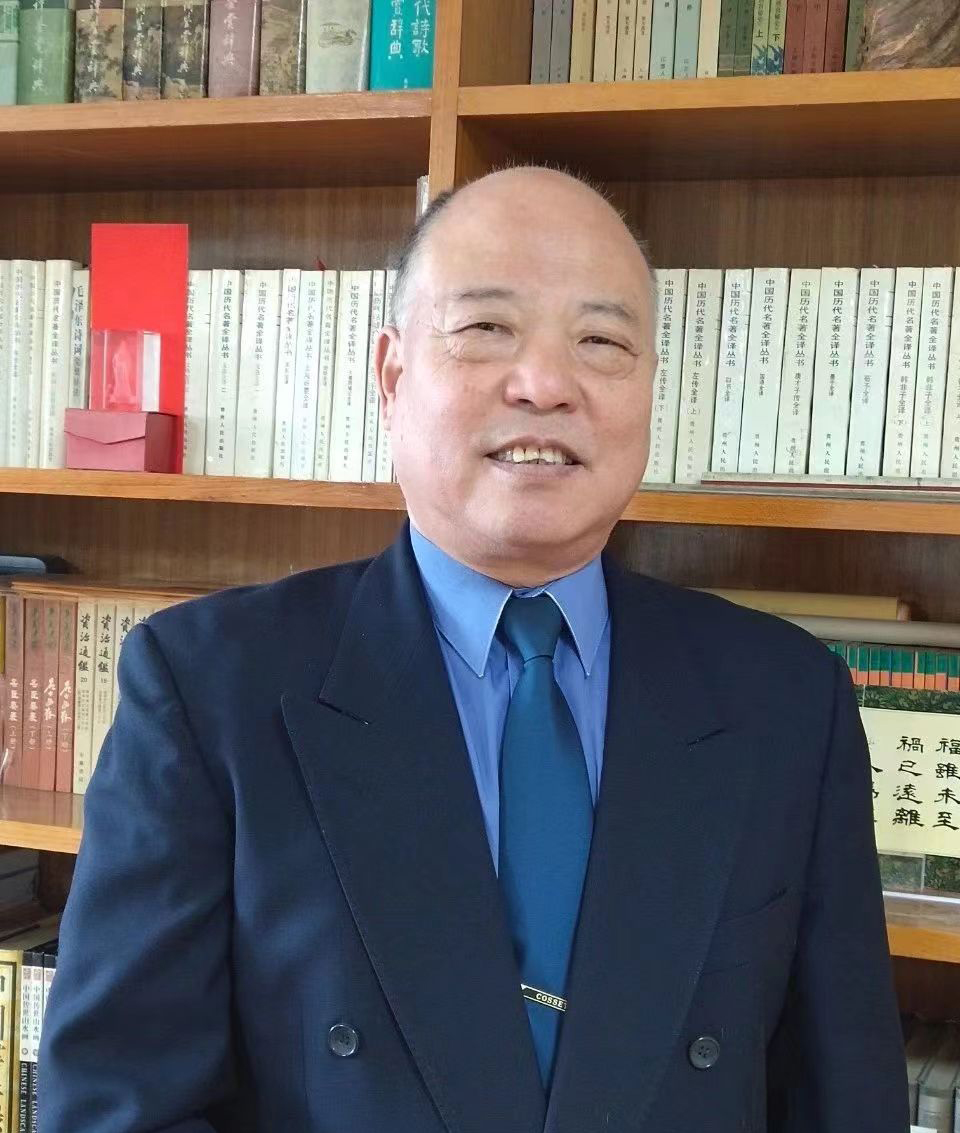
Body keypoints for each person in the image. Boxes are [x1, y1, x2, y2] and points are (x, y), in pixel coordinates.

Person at [39, 166, 910, 1132]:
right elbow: (117, 1109)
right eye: (487, 327)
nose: (545, 383)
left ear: (649, 390)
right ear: (391, 375)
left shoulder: (788, 701)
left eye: (601, 341)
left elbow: (846, 1099)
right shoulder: (209, 686)